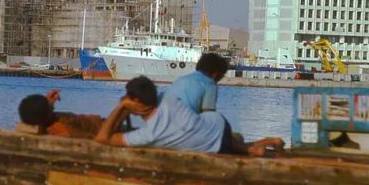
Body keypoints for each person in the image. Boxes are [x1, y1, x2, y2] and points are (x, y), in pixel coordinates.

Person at [95, 76, 284, 156]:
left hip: (214, 146)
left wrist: (121, 107)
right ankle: (269, 141)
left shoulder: (149, 135)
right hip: (218, 123)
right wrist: (129, 106)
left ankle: (258, 148)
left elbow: (102, 138)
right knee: (236, 144)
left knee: (233, 147)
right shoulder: (168, 97)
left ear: (135, 101)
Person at [18, 89, 103, 139]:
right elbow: (95, 137)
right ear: (48, 113)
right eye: (49, 106)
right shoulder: (61, 128)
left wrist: (49, 101)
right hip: (103, 126)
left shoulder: (46, 119)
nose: (52, 107)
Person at [163, 53, 228, 114]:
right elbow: (209, 115)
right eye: (221, 77)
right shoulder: (209, 84)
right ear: (215, 75)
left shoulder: (180, 80)